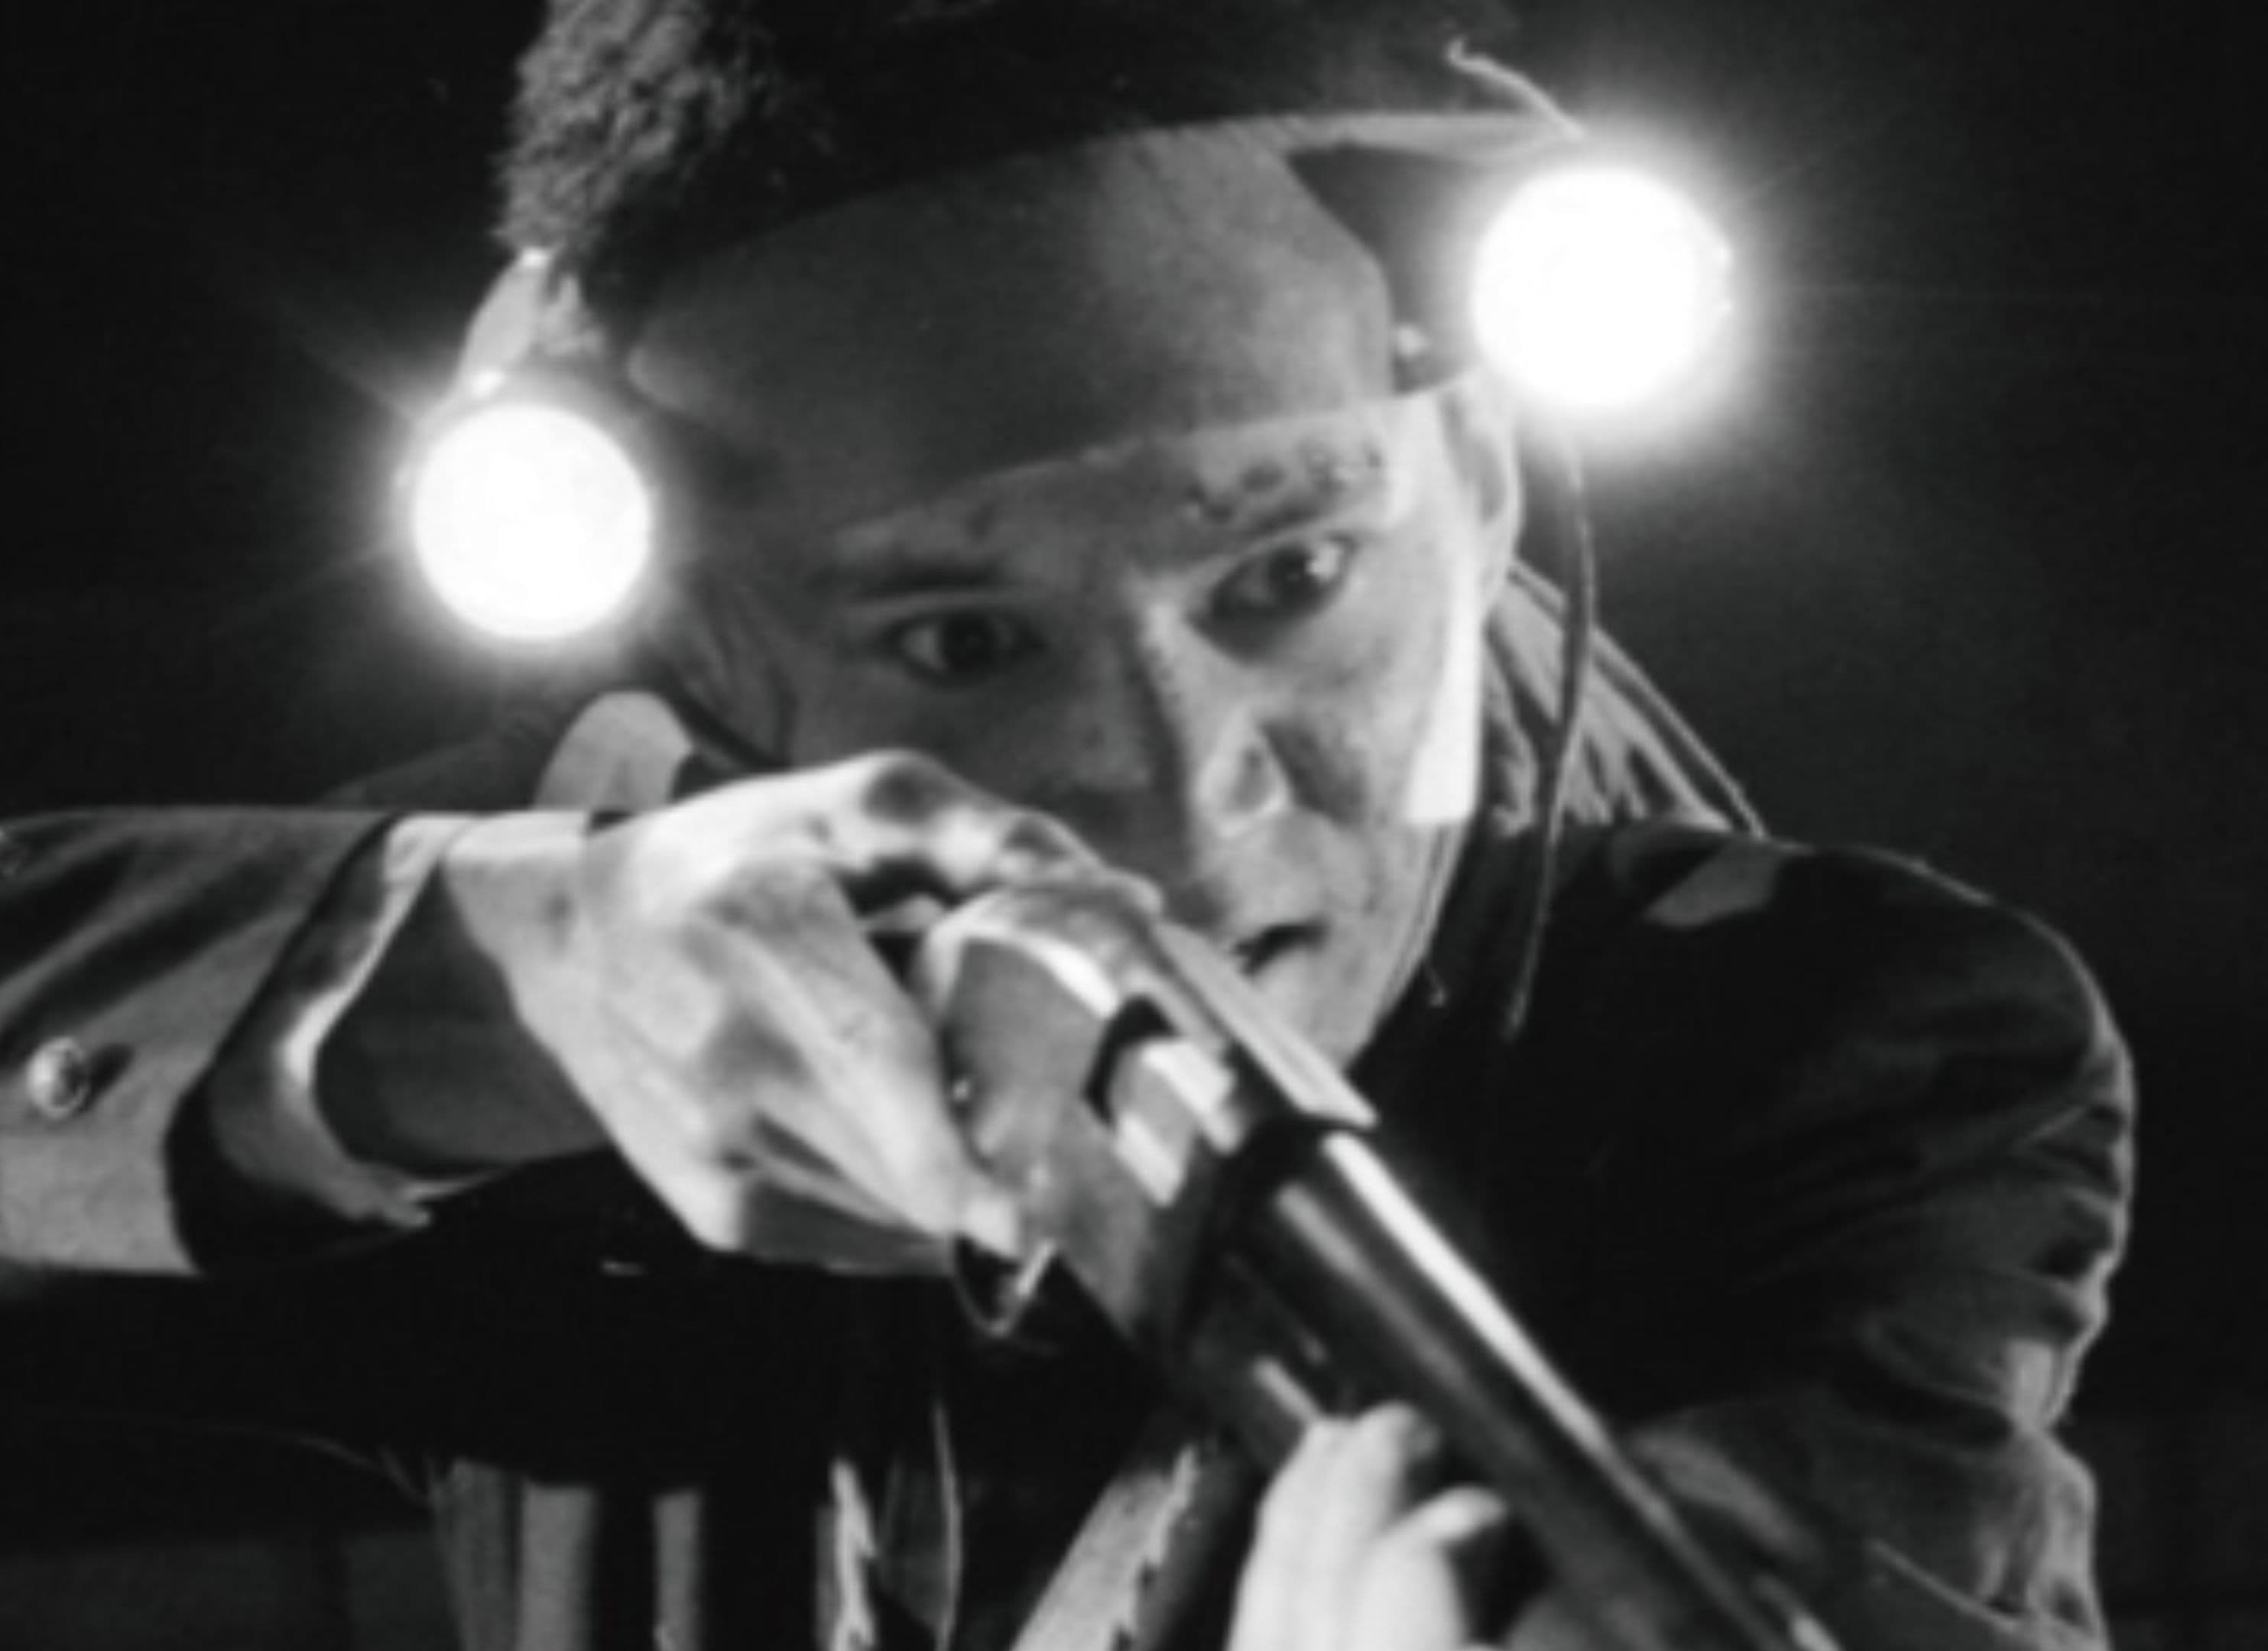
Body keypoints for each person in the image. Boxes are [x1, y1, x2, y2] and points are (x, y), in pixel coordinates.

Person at [0, 4, 2132, 1649]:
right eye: (961, 641)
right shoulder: (624, 1025)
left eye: (1288, 578)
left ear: (1482, 494)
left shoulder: (1828, 1052)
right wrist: (513, 983)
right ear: (717, 663)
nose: (1186, 804)